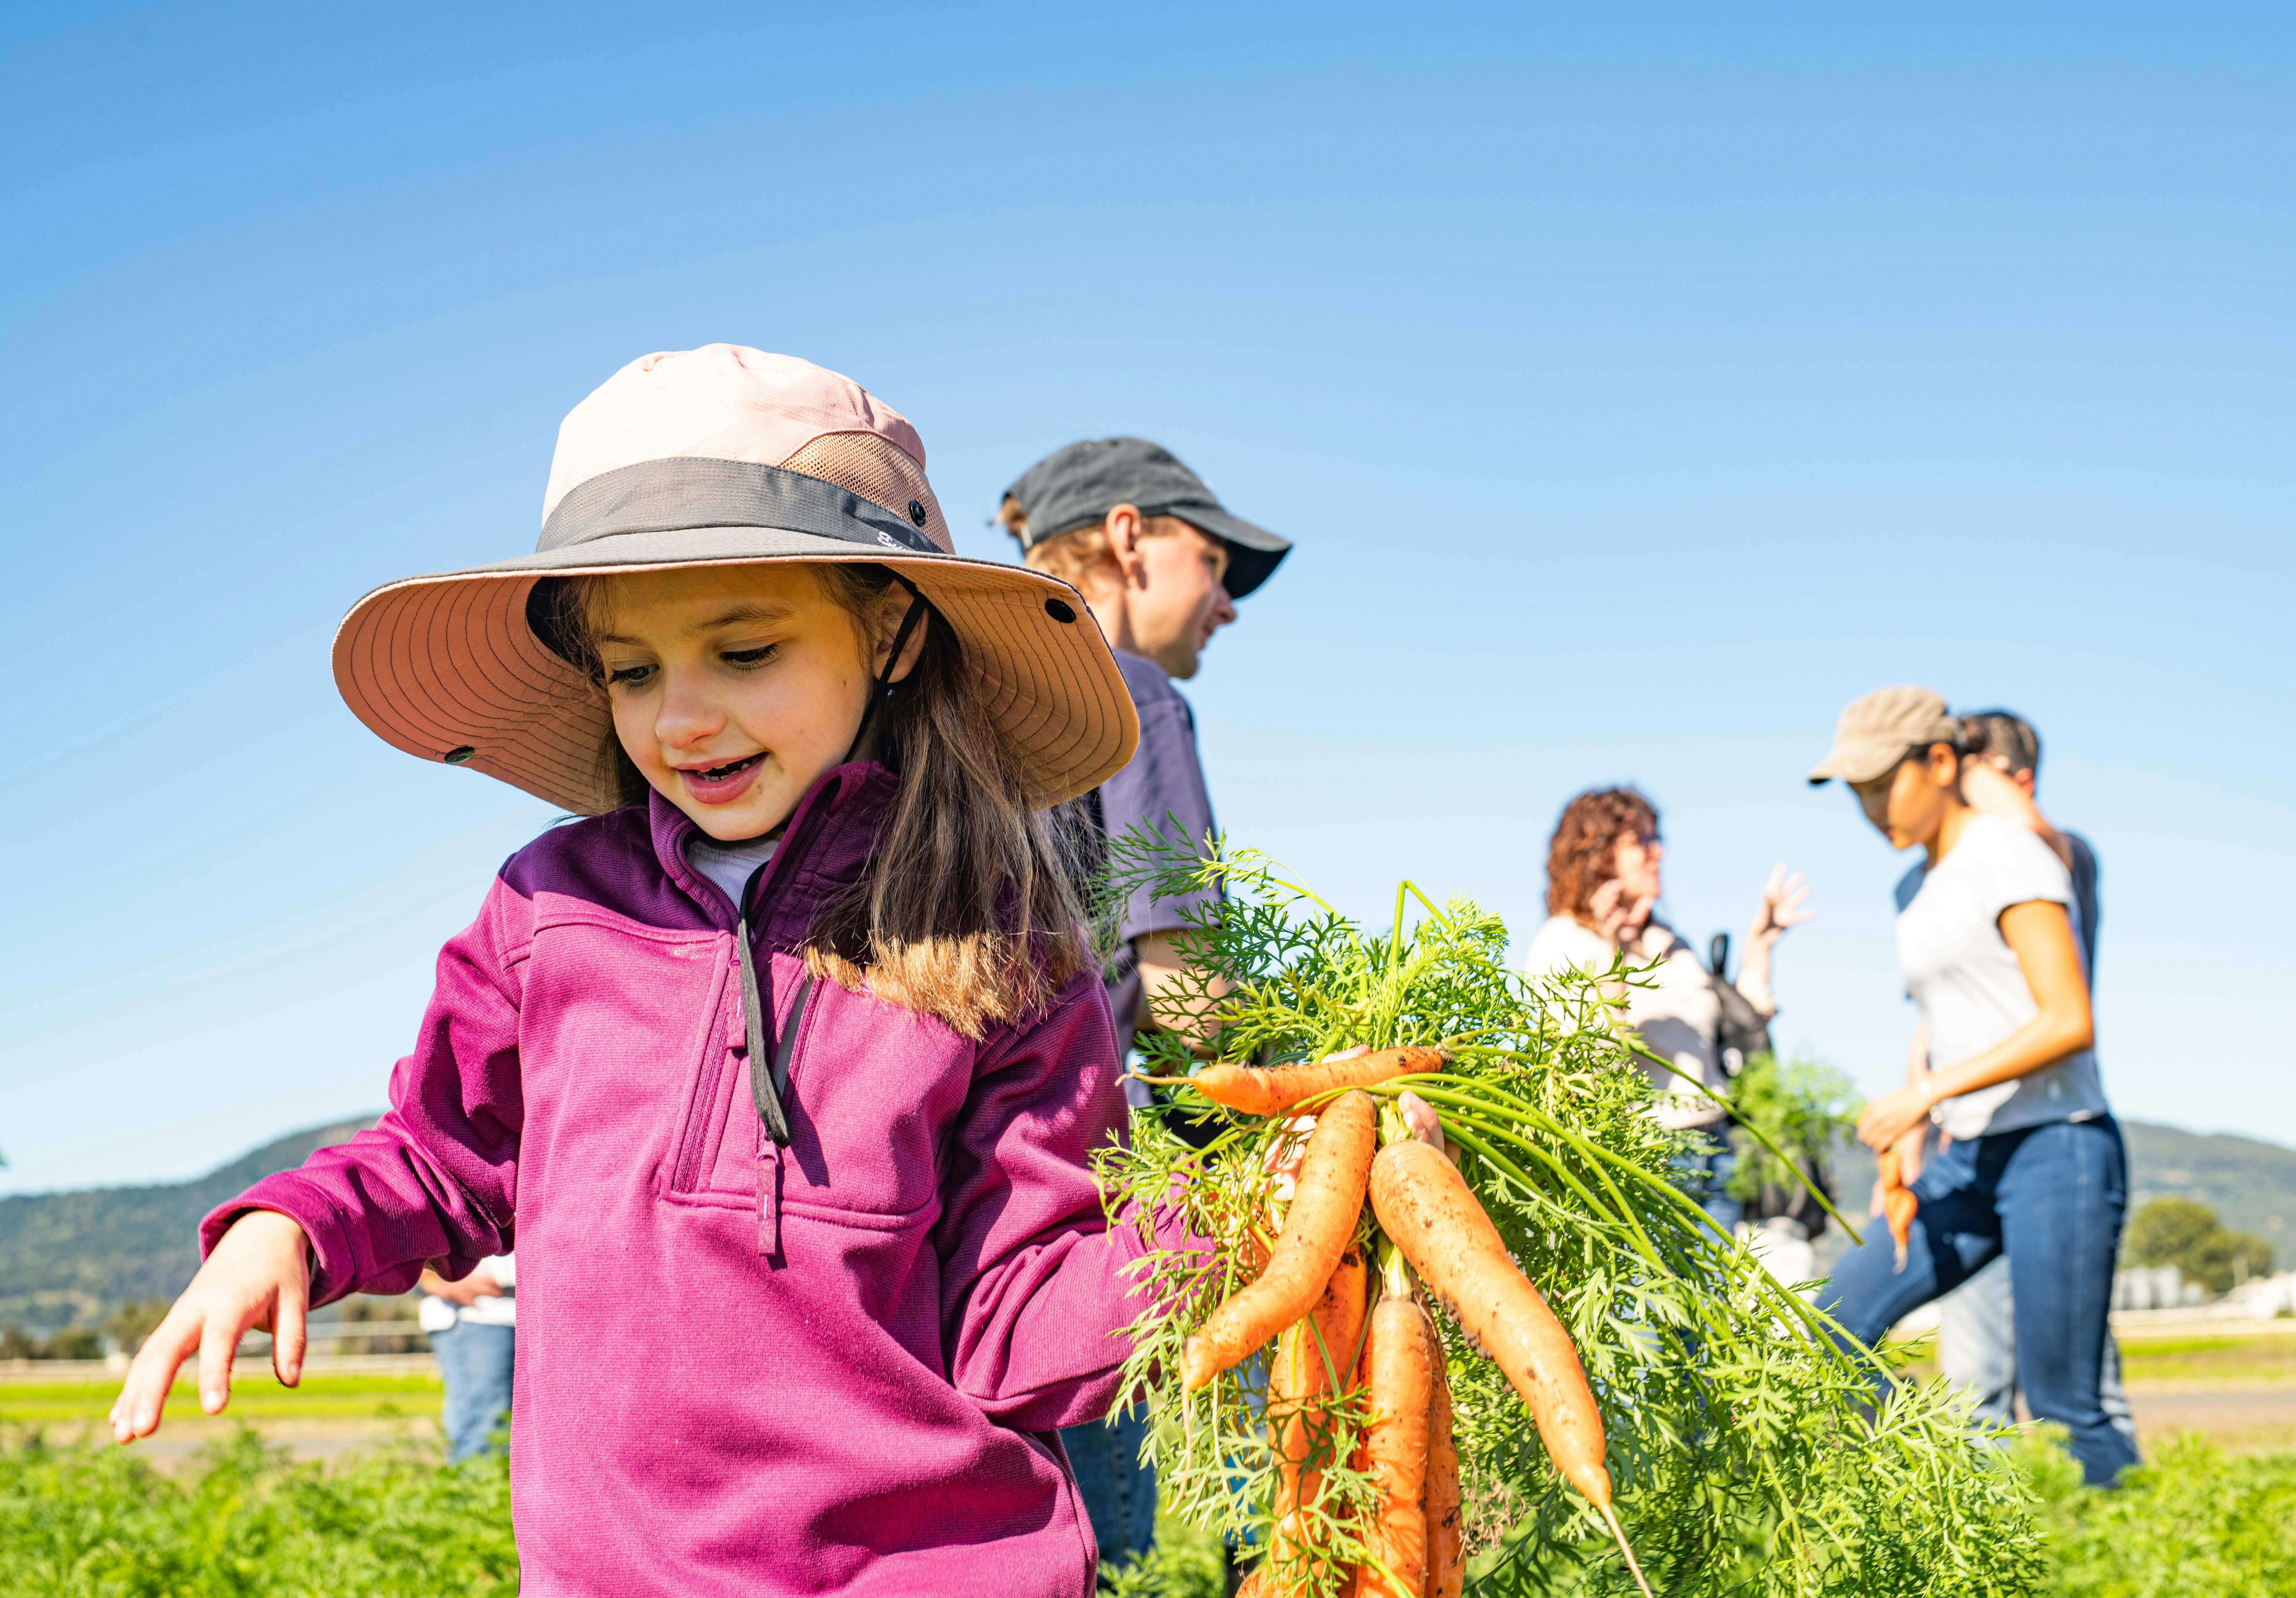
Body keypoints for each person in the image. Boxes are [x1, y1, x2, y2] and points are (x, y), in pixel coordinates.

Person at [109, 345, 1211, 1595]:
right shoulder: (549, 909)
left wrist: (1230, 1239)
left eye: (745, 654)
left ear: (892, 634)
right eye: (633, 671)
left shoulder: (999, 944)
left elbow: (1019, 1306)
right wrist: (289, 1224)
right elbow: (443, 1153)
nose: (680, 718)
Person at [1000, 438, 1291, 1571]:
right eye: (1212, 562)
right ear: (1127, 537)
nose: (1223, 604)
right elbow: (1184, 989)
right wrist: (1303, 1116)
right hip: (1096, 1189)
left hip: (971, 1195)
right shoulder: (1130, 696)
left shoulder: (961, 701)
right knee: (1143, 1544)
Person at [1809, 686, 2138, 1488]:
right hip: (1965, 1156)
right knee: (1829, 1329)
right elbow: (1940, 1021)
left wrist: (1927, 1097)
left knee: (2064, 1409)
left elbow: (2068, 1020)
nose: (1870, 808)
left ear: (1941, 762)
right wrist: (1907, 1129)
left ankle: (2133, 1558)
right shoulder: (1911, 888)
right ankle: (1940, 1508)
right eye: (1856, 794)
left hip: (2057, 1145)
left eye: (1883, 785)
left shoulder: (2010, 854)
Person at [1926, 711, 2136, 1450]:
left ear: (2017, 781)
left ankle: (2107, 1534)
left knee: (2076, 1388)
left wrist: (1999, 803)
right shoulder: (1946, 883)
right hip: (1970, 1145)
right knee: (1975, 1374)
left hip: (2054, 1140)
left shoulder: (2054, 856)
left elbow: (2043, 844)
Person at [1521, 787, 1813, 1227]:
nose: (1658, 852)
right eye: (1641, 841)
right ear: (1597, 853)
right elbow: (1587, 1064)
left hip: (1717, 1153)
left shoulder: (1667, 943)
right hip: (1649, 1158)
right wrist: (1608, 953)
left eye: (1657, 839)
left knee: (1714, 1295)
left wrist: (1759, 946)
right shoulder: (1563, 943)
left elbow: (1722, 1034)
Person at [417, 1253, 514, 1462]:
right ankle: (470, 1492)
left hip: (529, 1308)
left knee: (521, 1431)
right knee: (483, 1430)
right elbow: (406, 1233)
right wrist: (436, 1283)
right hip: (477, 1314)